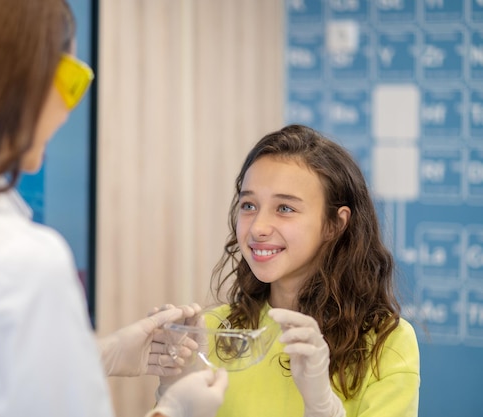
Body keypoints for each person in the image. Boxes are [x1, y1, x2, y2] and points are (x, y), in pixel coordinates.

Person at [0, 1, 227, 416]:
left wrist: (101, 354)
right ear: (15, 83)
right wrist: (176, 409)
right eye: (69, 80)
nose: (68, 108)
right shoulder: (20, 259)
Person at [155, 124, 420, 416]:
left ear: (335, 224)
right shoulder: (213, 332)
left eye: (284, 208)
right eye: (249, 205)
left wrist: (322, 408)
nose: (257, 228)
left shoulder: (386, 343)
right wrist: (172, 391)